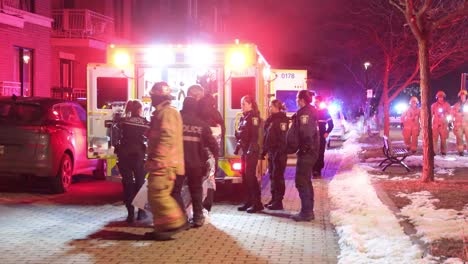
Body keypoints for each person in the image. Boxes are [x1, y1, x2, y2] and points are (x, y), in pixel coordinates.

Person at [144, 82, 187, 240]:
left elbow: (166, 137)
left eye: (153, 96)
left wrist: (159, 157)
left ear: (159, 97)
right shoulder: (162, 113)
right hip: (163, 163)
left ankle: (176, 222)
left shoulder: (167, 113)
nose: (151, 98)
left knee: (158, 195)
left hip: (164, 163)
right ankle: (161, 228)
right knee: (154, 195)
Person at [180, 96, 219, 227]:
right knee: (196, 191)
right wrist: (214, 162)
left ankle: (179, 217)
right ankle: (198, 217)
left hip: (178, 163)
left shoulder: (176, 122)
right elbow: (213, 145)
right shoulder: (201, 125)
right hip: (196, 163)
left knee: (176, 191)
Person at [115, 100, 150, 223]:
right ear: (139, 109)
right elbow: (150, 138)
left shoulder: (122, 121)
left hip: (124, 155)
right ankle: (141, 212)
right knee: (141, 183)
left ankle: (130, 214)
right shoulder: (145, 122)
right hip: (139, 156)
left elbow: (115, 136)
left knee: (127, 183)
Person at [288, 90, 319, 222]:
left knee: (301, 181)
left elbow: (306, 133)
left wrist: (304, 148)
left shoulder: (305, 113)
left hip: (307, 153)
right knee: (306, 181)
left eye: (297, 98)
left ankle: (306, 212)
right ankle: (308, 211)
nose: (296, 100)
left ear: (301, 99)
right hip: (309, 152)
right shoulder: (309, 111)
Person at [235, 95, 264, 213]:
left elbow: (255, 136)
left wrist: (251, 149)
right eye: (241, 104)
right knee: (245, 177)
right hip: (245, 149)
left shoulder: (254, 117)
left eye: (244, 104)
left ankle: (257, 203)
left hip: (251, 151)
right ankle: (248, 201)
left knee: (250, 177)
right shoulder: (244, 117)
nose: (241, 106)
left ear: (251, 104)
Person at [198, 93, 225, 212]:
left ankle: (200, 204)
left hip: (202, 152)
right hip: (214, 152)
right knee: (210, 177)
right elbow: (222, 132)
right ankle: (208, 204)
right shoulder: (217, 114)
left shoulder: (199, 114)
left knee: (200, 178)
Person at [261, 99, 289, 210]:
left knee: (278, 177)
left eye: (271, 106)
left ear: (276, 107)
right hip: (272, 152)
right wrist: (265, 151)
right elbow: (267, 136)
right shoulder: (271, 119)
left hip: (279, 153)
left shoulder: (282, 120)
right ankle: (274, 199)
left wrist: (279, 152)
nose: (269, 108)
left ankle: (279, 202)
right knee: (273, 176)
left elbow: (282, 139)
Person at [312, 95, 334, 178]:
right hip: (313, 137)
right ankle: (313, 170)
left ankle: (318, 170)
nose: (315, 103)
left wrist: (327, 132)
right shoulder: (312, 111)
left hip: (321, 136)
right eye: (315, 101)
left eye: (317, 101)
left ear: (320, 102)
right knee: (313, 153)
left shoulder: (325, 112)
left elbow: (331, 124)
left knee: (320, 154)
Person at [431, 90, 451, 156]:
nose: (440, 98)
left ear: (443, 98)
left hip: (443, 125)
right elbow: (430, 114)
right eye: (439, 97)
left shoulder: (447, 105)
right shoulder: (433, 105)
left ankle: (443, 151)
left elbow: (450, 114)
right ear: (437, 98)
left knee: (443, 139)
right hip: (435, 125)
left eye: (441, 97)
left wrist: (445, 114)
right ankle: (434, 151)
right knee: (434, 139)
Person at [451, 90, 468, 156]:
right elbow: (452, 114)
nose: (462, 97)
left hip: (467, 124)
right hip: (458, 125)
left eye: (463, 96)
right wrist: (451, 121)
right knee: (459, 139)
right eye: (461, 96)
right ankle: (460, 151)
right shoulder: (456, 105)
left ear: (466, 96)